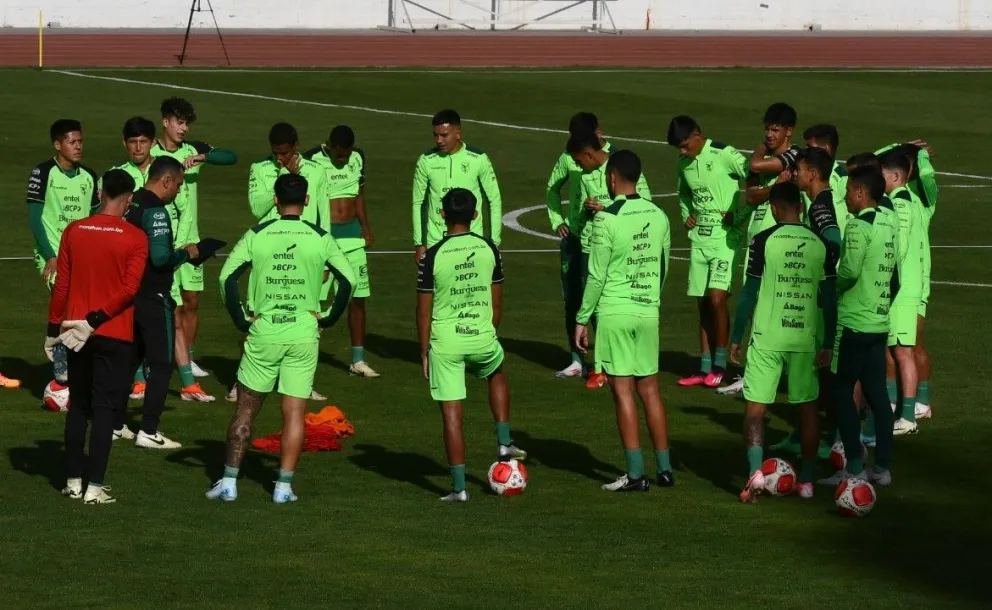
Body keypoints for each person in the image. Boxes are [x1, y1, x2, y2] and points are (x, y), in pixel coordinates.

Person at [211, 173, 356, 503]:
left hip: (264, 332)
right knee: (294, 414)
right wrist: (328, 317)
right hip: (303, 333)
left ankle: (229, 483)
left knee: (245, 411)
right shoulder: (320, 237)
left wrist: (241, 320)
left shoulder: (257, 234)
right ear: (307, 201)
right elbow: (348, 281)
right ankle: (283, 488)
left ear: (275, 201)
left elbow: (226, 278)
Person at [573, 150, 674, 492]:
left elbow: (596, 275)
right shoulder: (659, 214)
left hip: (616, 312)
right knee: (651, 390)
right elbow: (663, 265)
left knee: (623, 392)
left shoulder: (606, 218)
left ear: (612, 178)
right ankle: (665, 470)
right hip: (648, 310)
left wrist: (582, 318)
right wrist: (652, 300)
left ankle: (635, 475)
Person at [416, 188, 525, 502]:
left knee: (452, 415)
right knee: (496, 372)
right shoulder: (489, 248)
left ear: (442, 215)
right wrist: (488, 331)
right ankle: (503, 441)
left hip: (446, 343)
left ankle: (459, 489)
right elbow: (497, 302)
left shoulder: (432, 255)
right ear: (475, 215)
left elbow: (423, 311)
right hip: (481, 335)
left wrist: (424, 351)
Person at [46, 169, 148, 504]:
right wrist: (96, 320)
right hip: (114, 332)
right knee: (105, 409)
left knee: (78, 405)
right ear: (129, 200)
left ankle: (73, 481)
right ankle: (95, 488)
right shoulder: (135, 237)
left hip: (75, 332)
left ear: (101, 193)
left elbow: (61, 285)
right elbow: (130, 290)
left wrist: (52, 329)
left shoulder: (74, 230)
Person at [730, 182, 836, 502]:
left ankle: (755, 473)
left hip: (767, 337)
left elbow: (749, 293)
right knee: (808, 407)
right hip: (804, 338)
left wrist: (736, 337)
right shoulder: (820, 243)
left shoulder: (763, 240)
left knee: (755, 407)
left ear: (774, 209)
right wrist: (828, 342)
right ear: (801, 207)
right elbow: (830, 299)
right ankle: (807, 480)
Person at [819, 164, 899, 487]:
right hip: (879, 322)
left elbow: (849, 272)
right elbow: (893, 275)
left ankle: (853, 465)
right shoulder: (889, 223)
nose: (846, 197)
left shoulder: (856, 227)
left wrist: (829, 291)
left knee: (841, 391)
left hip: (854, 323)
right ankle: (883, 467)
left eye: (850, 191)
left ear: (861, 193)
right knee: (877, 395)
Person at [152, 97, 238, 380]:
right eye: (179, 122)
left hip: (192, 241)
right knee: (165, 305)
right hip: (163, 240)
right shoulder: (151, 152)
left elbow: (231, 157)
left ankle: (187, 358)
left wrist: (204, 157)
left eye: (187, 123)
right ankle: (158, 358)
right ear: (165, 122)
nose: (184, 128)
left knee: (191, 302)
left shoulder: (193, 150)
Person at [718, 103, 799, 397]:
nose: (769, 134)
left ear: (789, 131)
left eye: (775, 129)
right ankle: (755, 372)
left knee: (776, 307)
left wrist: (764, 175)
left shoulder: (793, 156)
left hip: (780, 241)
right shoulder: (764, 157)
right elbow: (751, 196)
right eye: (766, 129)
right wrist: (773, 188)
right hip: (757, 239)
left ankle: (772, 372)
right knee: (754, 305)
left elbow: (755, 171)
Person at [768, 147, 845, 458]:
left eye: (799, 170)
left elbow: (834, 242)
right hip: (823, 297)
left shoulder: (819, 207)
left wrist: (820, 271)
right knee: (816, 373)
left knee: (822, 373)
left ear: (812, 174)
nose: (795, 174)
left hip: (823, 300)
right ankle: (803, 434)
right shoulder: (822, 201)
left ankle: (833, 440)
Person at [247, 122, 330, 402]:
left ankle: (302, 382)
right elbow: (257, 209)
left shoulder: (317, 171)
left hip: (304, 257)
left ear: (296, 146)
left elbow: (323, 216)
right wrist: (284, 174)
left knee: (308, 318)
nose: (280, 158)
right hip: (270, 256)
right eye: (275, 153)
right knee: (259, 316)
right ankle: (245, 381)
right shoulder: (260, 169)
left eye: (284, 153)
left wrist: (326, 262)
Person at [567, 131, 654, 389]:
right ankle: (599, 366)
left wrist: (605, 211)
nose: (578, 167)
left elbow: (643, 204)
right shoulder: (585, 176)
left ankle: (607, 366)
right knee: (595, 301)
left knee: (609, 302)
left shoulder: (623, 170)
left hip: (621, 246)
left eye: (579, 161)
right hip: (592, 244)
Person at [667, 115, 749, 389]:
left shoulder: (724, 154)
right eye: (678, 148)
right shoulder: (683, 163)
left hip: (725, 238)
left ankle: (721, 365)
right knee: (703, 302)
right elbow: (683, 193)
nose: (682, 151)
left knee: (717, 298)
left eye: (685, 145)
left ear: (697, 135)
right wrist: (686, 215)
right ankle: (704, 368)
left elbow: (755, 181)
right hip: (699, 239)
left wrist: (739, 215)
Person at [123, 156, 197, 449]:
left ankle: (116, 423)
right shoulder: (157, 212)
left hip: (129, 295)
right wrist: (188, 254)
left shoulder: (132, 202)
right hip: (153, 296)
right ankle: (149, 430)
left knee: (130, 359)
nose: (178, 190)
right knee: (163, 364)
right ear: (166, 180)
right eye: (178, 184)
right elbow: (161, 258)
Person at [28, 119, 99, 407]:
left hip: (82, 257)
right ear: (58, 145)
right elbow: (35, 218)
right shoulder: (43, 172)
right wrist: (50, 255)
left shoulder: (89, 176)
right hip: (53, 258)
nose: (78, 146)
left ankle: (74, 375)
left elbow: (95, 220)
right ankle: (62, 378)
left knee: (82, 314)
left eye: (80, 141)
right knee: (68, 311)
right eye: (72, 142)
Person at [303, 125, 380, 378]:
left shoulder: (358, 157)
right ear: (329, 145)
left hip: (353, 237)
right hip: (326, 239)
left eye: (346, 155)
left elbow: (359, 194)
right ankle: (305, 360)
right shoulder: (311, 158)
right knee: (314, 301)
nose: (342, 159)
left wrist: (366, 228)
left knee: (358, 299)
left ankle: (358, 360)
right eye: (339, 155)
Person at [545, 112, 611, 380]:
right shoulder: (568, 157)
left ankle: (603, 361)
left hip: (602, 239)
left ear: (598, 133)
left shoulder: (614, 159)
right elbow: (552, 189)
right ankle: (576, 360)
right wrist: (556, 220)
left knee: (599, 300)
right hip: (574, 237)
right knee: (572, 297)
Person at [876, 141, 938, 421]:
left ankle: (915, 403)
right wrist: (900, 147)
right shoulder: (900, 197)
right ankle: (903, 401)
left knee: (908, 346)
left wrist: (920, 155)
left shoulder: (921, 200)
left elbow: (927, 176)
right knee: (900, 346)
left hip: (911, 282)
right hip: (914, 279)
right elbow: (866, 164)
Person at [412, 109, 503, 262]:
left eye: (444, 135)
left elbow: (493, 200)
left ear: (458, 134)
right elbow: (418, 203)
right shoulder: (426, 161)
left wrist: (494, 242)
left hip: (472, 240)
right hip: (436, 241)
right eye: (435, 135)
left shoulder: (478, 159)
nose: (439, 140)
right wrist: (419, 244)